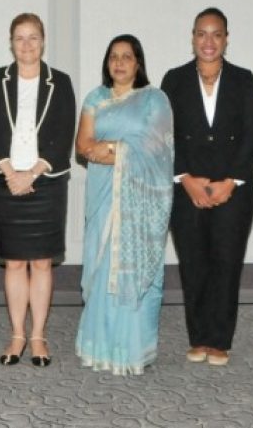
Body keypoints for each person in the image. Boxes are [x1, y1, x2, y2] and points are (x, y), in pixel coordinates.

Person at [160, 8, 253, 367]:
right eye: (202, 33)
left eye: (216, 34)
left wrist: (231, 182)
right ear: (192, 37)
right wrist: (184, 178)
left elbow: (251, 134)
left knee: (226, 263)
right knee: (193, 264)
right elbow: (165, 135)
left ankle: (220, 340)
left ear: (226, 39)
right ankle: (198, 336)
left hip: (232, 190)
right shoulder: (173, 79)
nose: (208, 41)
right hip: (187, 188)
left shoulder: (244, 79)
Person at [0, 13, 76, 367]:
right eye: (19, 38)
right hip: (5, 181)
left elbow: (65, 132)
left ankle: (39, 337)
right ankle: (17, 334)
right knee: (15, 263)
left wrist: (32, 173)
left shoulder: (60, 82)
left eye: (33, 37)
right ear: (10, 42)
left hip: (46, 183)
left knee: (42, 262)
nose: (27, 45)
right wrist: (8, 170)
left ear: (43, 40)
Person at [74, 34, 174, 375]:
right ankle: (100, 346)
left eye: (127, 57)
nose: (119, 63)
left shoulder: (154, 100)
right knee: (101, 268)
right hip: (103, 196)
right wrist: (112, 149)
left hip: (139, 201)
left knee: (130, 269)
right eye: (113, 56)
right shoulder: (95, 98)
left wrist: (114, 150)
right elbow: (83, 145)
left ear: (138, 63)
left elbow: (159, 150)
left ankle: (131, 350)